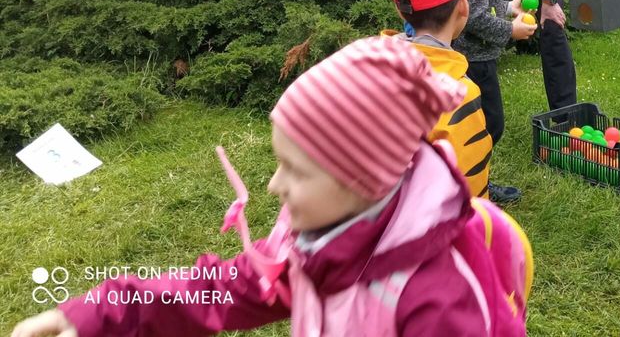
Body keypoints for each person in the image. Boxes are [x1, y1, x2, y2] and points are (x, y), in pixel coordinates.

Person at [12, 37, 531, 337]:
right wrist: (95, 313)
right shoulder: (322, 238)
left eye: (296, 171)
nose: (273, 184)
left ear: (365, 178)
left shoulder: (440, 299)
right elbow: (226, 287)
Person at [382, 0, 501, 200]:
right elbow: (470, 196)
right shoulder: (458, 95)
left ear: (400, 10)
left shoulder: (368, 68)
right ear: (464, 7)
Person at [443, 0, 536, 204]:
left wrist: (508, 7)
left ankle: (461, 182)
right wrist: (511, 31)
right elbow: (474, 18)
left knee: (468, 124)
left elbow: (473, 5)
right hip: (475, 60)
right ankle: (469, 185)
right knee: (488, 125)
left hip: (461, 57)